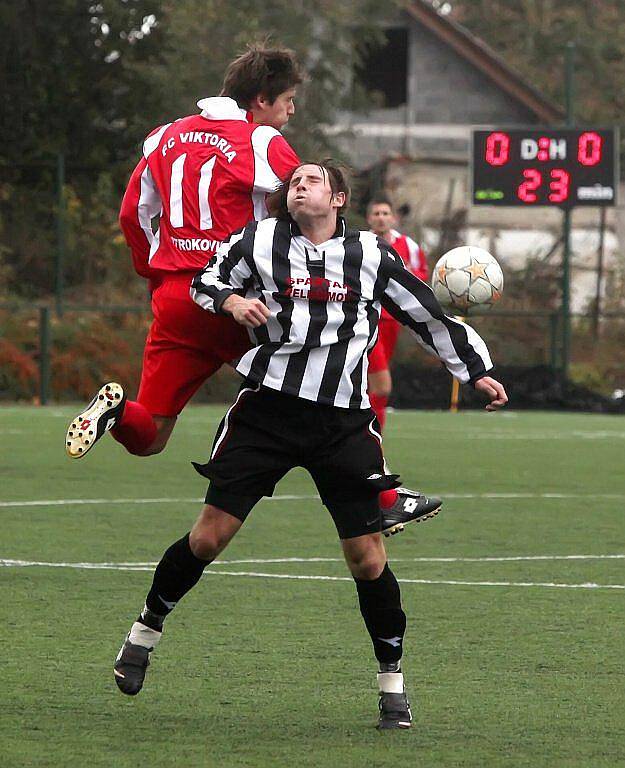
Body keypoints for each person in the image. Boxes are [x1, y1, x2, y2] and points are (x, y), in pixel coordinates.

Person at [113, 161, 508, 729]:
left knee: (367, 559)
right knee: (208, 538)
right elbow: (204, 280)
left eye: (311, 180)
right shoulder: (258, 240)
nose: (298, 186)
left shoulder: (370, 253)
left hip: (342, 425)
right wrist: (231, 302)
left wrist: (475, 371)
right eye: (293, 182)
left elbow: (427, 314)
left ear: (339, 198)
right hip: (268, 411)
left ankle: (392, 685)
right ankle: (143, 633)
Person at [65, 44, 302, 459]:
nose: (292, 110)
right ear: (261, 100)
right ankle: (381, 496)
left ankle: (118, 412)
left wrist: (152, 272)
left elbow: (132, 214)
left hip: (176, 298)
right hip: (242, 304)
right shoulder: (264, 141)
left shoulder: (166, 135)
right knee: (320, 402)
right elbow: (307, 210)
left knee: (150, 436)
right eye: (287, 100)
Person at [366, 199, 428, 431]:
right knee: (381, 386)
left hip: (393, 321)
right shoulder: (362, 243)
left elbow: (420, 276)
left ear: (393, 218)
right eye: (376, 213)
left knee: (375, 390)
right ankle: (363, 440)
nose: (381, 217)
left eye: (385, 213)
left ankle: (374, 446)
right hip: (366, 321)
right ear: (369, 218)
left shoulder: (408, 246)